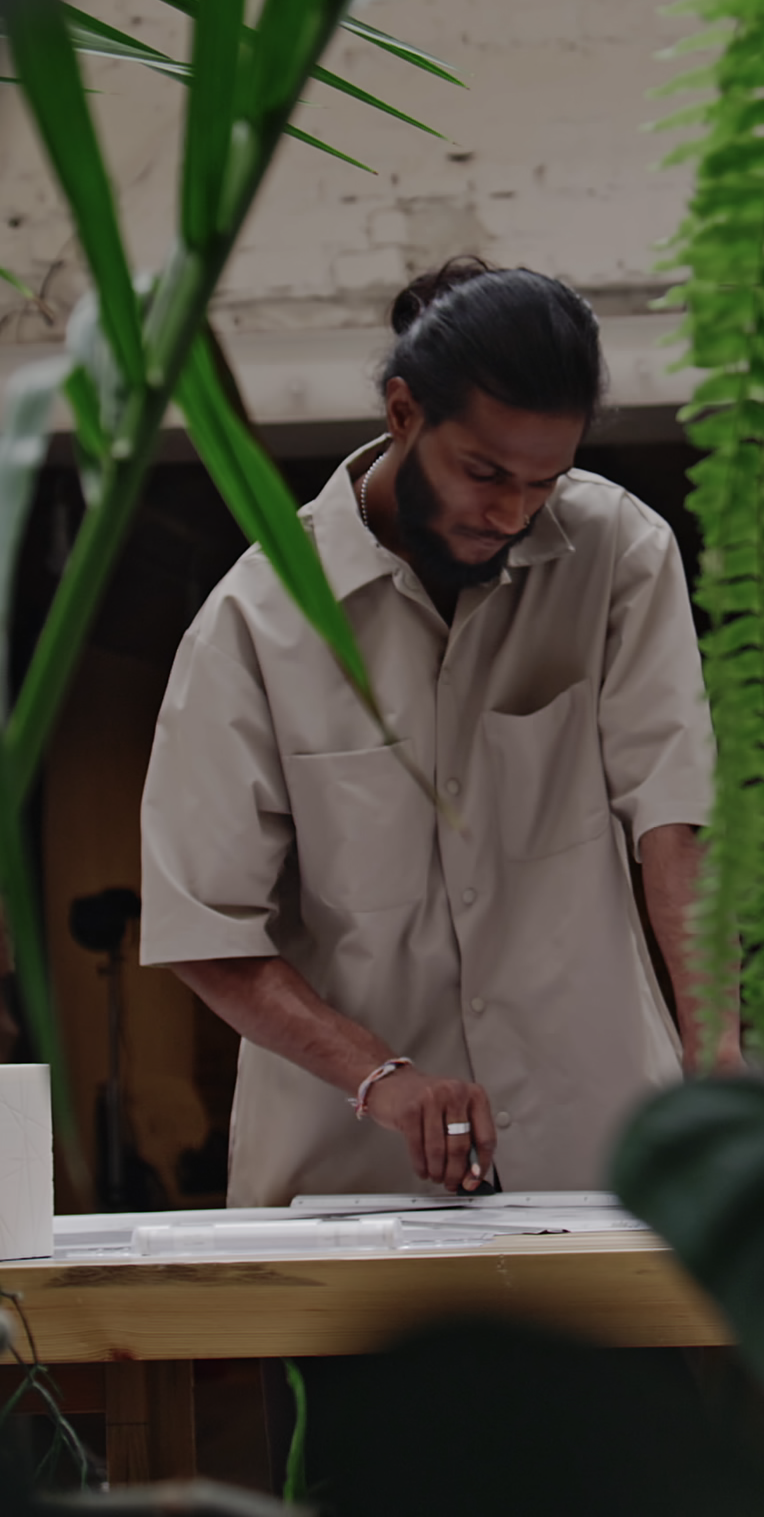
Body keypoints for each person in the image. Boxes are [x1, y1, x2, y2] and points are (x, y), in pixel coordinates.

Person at [140, 259, 723, 1206]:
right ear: (403, 412)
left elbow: (677, 822)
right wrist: (379, 1075)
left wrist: (719, 1059)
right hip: (348, 1181)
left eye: (545, 482)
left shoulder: (618, 554)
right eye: (484, 473)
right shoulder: (255, 620)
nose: (512, 512)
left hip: (599, 1156)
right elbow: (203, 928)